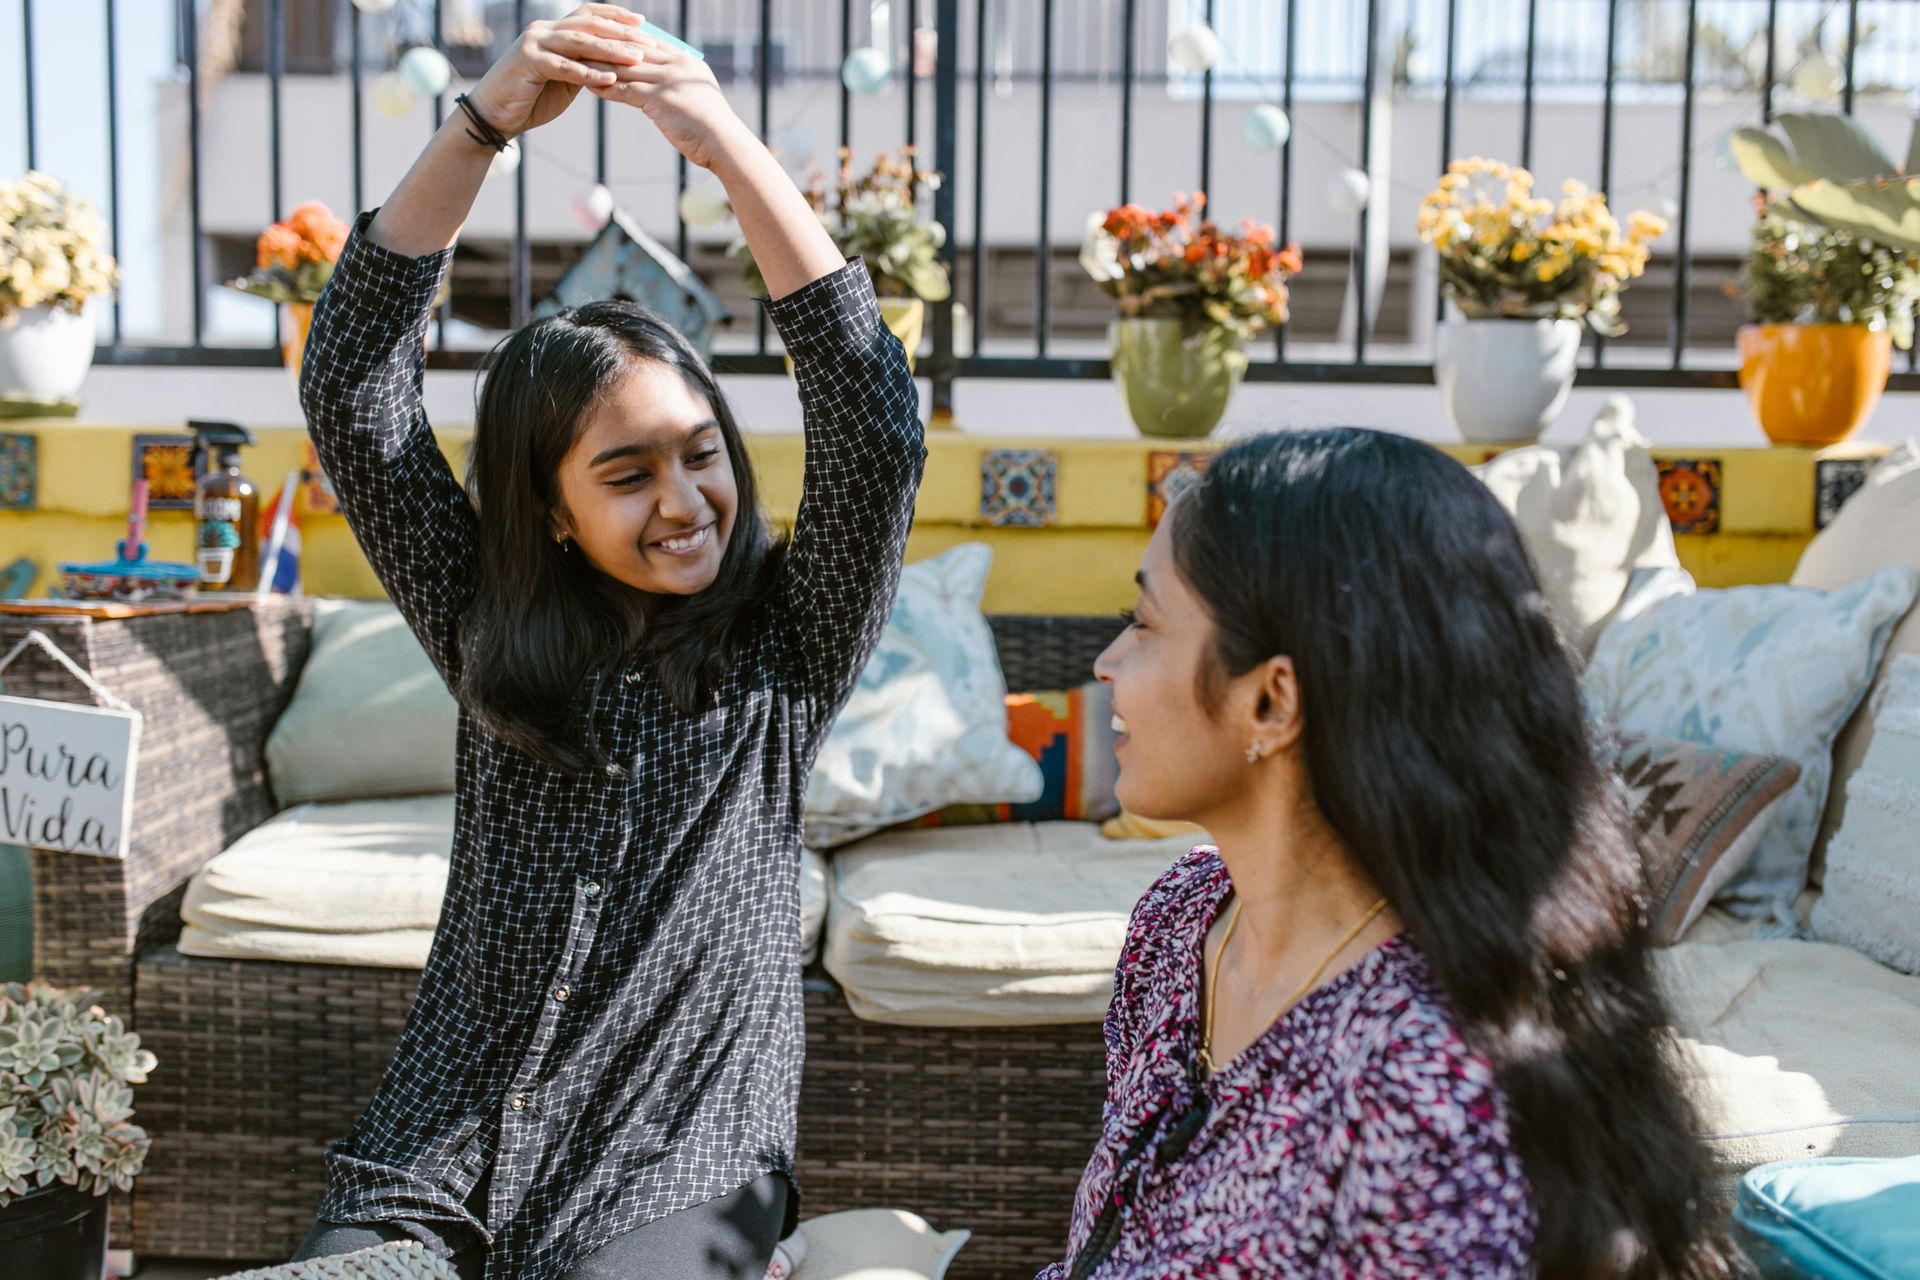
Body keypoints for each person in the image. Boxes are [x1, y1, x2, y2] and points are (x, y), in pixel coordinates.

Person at [288, 7, 925, 1277]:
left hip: (680, 1162)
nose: (686, 501)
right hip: (443, 1155)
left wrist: (728, 146)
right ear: (551, 511)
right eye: (628, 474)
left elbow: (874, 425)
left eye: (702, 454)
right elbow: (352, 382)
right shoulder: (485, 617)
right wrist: (482, 124)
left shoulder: (785, 648)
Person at [1037, 429, 1738, 1279]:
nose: (1108, 664)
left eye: (1143, 625)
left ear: (1272, 700)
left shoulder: (1423, 1095)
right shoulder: (1180, 924)